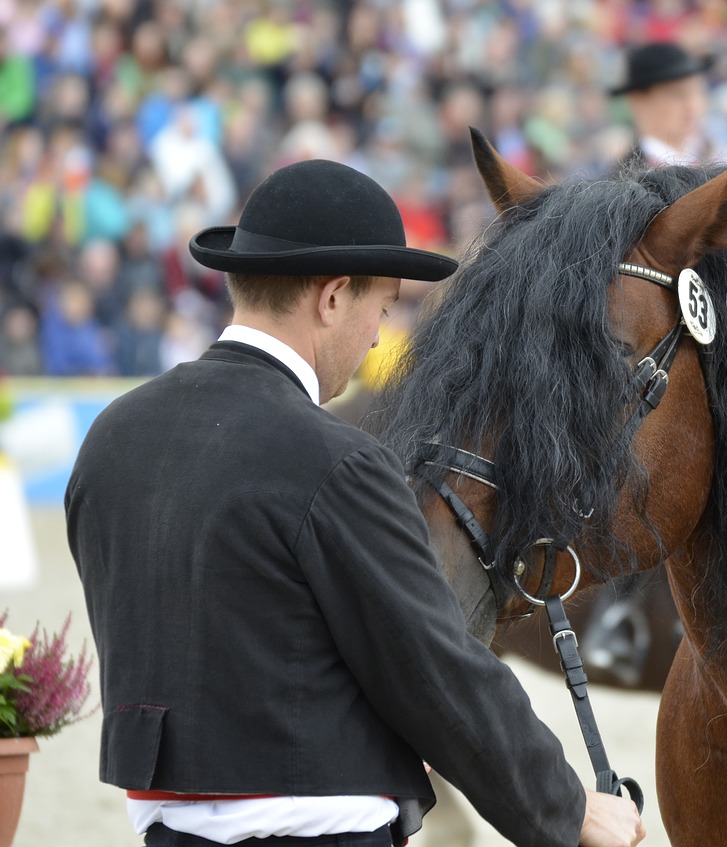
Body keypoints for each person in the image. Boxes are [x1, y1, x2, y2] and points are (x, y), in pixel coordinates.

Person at [65, 159, 645, 847]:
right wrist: (569, 807)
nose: (379, 333)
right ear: (333, 296)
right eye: (385, 305)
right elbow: (435, 667)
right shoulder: (335, 460)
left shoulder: (111, 437)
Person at [611, 42, 714, 168]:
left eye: (698, 92)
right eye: (678, 94)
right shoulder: (626, 180)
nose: (692, 105)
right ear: (638, 100)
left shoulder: (711, 158)